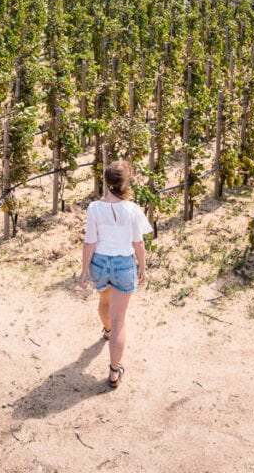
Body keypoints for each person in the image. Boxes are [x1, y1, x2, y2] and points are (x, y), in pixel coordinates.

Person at [77, 159, 152, 388]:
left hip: (100, 263)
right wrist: (143, 267)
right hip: (123, 264)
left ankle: (107, 331)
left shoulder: (94, 208)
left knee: (104, 302)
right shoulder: (132, 209)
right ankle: (113, 371)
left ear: (106, 181)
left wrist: (83, 271)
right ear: (125, 182)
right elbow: (138, 242)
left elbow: (89, 242)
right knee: (121, 319)